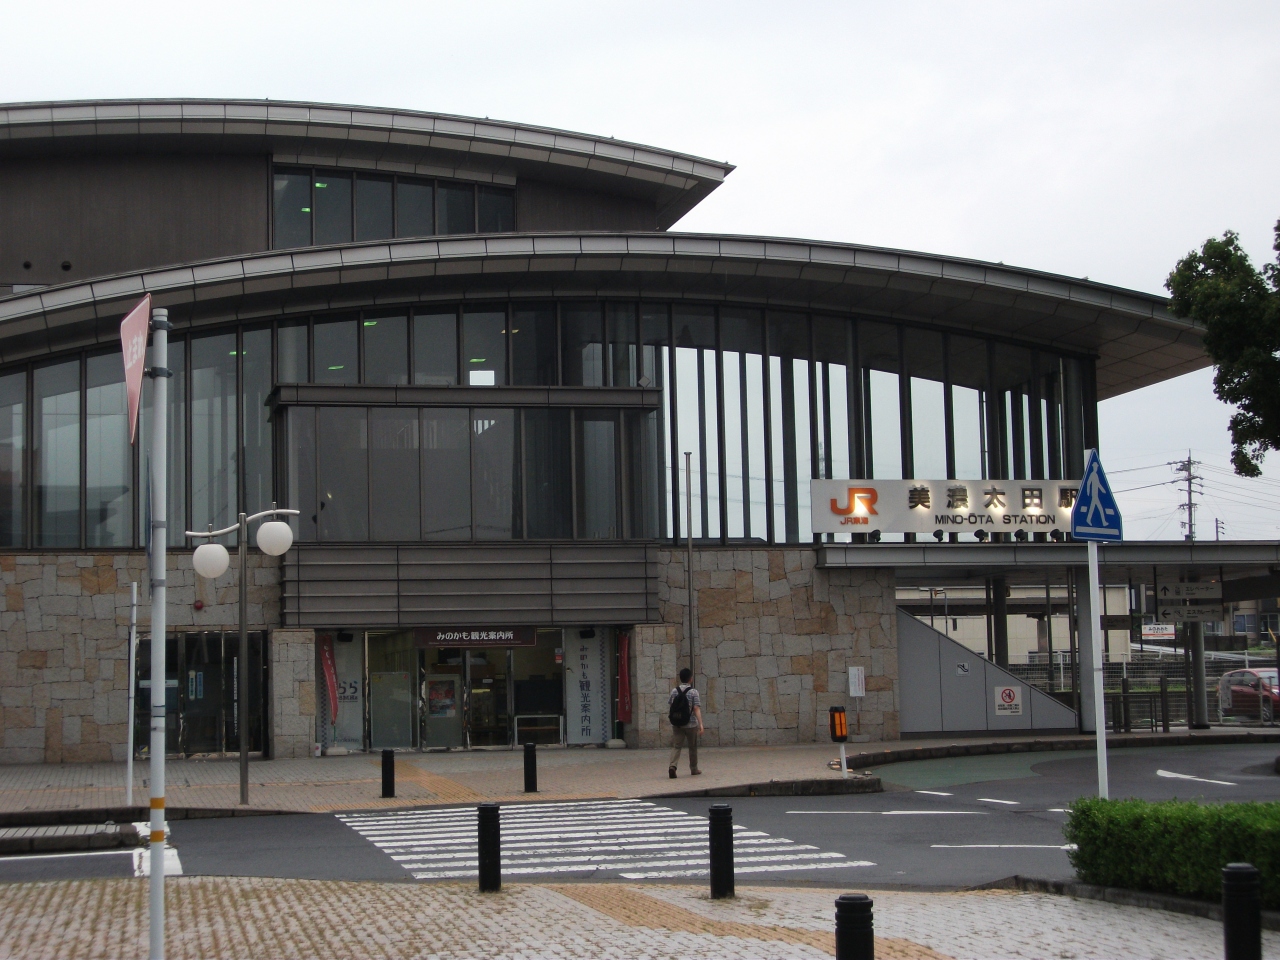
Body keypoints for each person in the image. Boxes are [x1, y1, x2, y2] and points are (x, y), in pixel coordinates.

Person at [667, 667, 703, 778]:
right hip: (691, 724)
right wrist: (701, 724)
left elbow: (671, 705)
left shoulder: (674, 691)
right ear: (690, 679)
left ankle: (672, 766)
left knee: (676, 746)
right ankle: (694, 769)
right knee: (692, 747)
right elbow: (696, 708)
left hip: (677, 723)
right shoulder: (693, 692)